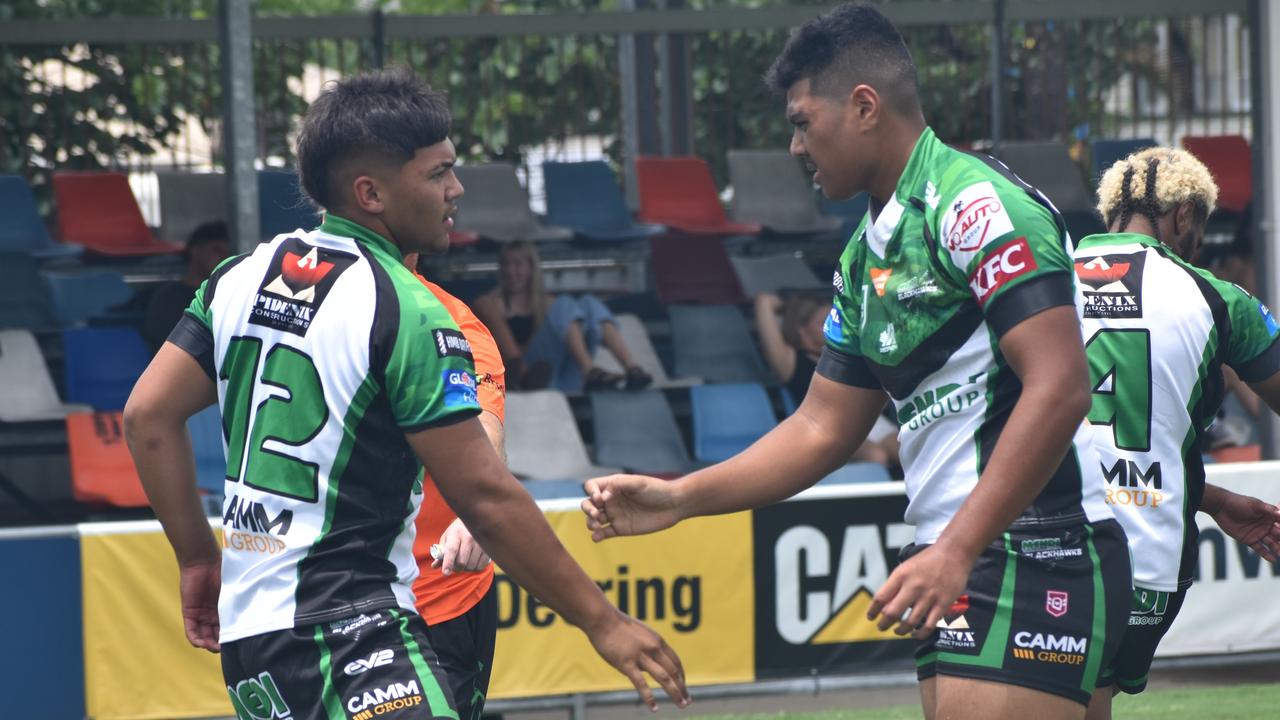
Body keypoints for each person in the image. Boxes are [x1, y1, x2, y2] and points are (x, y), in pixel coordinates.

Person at [581, 5, 1130, 720]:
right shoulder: (864, 252)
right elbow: (820, 427)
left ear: (864, 106)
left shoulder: (976, 205)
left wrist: (958, 548)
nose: (794, 145)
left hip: (1031, 541)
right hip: (968, 551)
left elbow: (1060, 387)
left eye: (803, 121)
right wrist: (680, 498)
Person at [123, 68, 688, 720]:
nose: (457, 189)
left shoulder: (238, 277)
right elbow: (486, 496)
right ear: (372, 193)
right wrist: (605, 622)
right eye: (437, 173)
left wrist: (197, 557)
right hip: (351, 631)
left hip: (252, 642)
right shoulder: (408, 308)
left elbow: (146, 416)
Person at [1075, 147, 1280, 719]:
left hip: (1045, 541)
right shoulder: (1213, 297)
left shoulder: (1038, 278)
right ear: (1185, 214)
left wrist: (1213, 499)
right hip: (1146, 558)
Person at [407, 251, 507, 720]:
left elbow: (485, 437)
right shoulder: (275, 293)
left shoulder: (458, 324)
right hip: (321, 603)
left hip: (440, 601)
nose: (454, 191)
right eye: (437, 175)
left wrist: (476, 507)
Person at [473, 240, 652, 391]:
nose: (511, 271)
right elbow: (513, 359)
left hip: (562, 376)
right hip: (529, 374)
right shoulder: (490, 303)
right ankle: (589, 370)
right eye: (506, 264)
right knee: (565, 304)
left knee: (589, 303)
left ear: (531, 268)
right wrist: (522, 373)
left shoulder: (546, 303)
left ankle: (632, 369)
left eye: (518, 265)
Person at [753, 290, 897, 469]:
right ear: (801, 330)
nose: (832, 326)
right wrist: (787, 303)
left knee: (907, 452)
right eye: (822, 323)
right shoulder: (791, 361)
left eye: (834, 320)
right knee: (876, 456)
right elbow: (764, 300)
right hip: (827, 427)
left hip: (869, 420)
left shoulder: (849, 354)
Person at [141, 219, 231, 353]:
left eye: (227, 251)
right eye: (216, 249)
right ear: (195, 251)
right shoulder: (168, 298)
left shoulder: (230, 296)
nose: (224, 256)